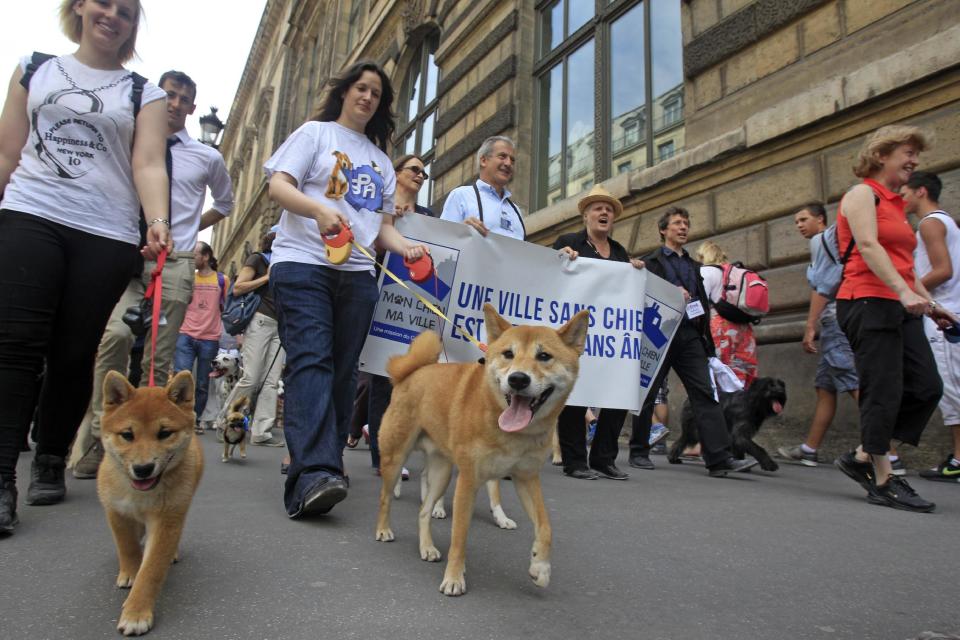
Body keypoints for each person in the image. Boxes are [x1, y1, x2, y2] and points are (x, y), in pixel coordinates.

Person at [0, 0, 171, 535]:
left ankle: (51, 454)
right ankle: (2, 475)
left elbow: (147, 162)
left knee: (74, 352)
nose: (113, 15)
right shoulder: (36, 67)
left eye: (126, 10)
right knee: (15, 344)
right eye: (104, 4)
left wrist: (157, 219)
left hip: (105, 230)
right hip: (31, 211)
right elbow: (7, 152)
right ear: (79, 8)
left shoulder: (146, 92)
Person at [265, 60, 427, 518]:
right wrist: (318, 212)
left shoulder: (379, 160)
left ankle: (327, 463)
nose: (368, 97)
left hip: (356, 274)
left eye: (376, 93)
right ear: (344, 92)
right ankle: (311, 474)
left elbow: (382, 231)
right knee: (312, 359)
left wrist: (407, 248)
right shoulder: (314, 134)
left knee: (340, 372)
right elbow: (278, 186)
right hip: (303, 264)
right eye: (361, 87)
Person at [69, 68, 234, 478]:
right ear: (157, 99)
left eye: (183, 99)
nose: (176, 105)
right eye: (170, 96)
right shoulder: (130, 141)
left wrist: (188, 229)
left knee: (158, 361)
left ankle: (153, 451)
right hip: (125, 252)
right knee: (115, 339)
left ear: (193, 108)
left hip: (173, 262)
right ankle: (94, 441)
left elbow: (226, 204)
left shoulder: (206, 156)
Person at [833, 125, 957, 512]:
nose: (914, 161)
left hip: (901, 303)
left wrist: (931, 304)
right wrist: (904, 293)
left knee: (925, 387)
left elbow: (905, 268)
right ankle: (884, 478)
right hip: (866, 301)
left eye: (916, 154)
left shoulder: (896, 207)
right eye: (908, 153)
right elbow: (868, 246)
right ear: (882, 155)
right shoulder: (861, 194)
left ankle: (862, 455)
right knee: (882, 389)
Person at [626, 207, 758, 477]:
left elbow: (702, 305)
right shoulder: (650, 262)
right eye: (677, 223)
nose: (683, 227)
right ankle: (639, 451)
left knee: (705, 394)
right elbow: (637, 293)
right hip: (658, 334)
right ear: (664, 230)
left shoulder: (695, 267)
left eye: (686, 223)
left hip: (689, 336)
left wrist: (706, 343)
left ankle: (719, 459)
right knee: (647, 392)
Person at [553, 184, 645, 480]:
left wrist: (634, 271)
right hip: (577, 334)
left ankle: (604, 458)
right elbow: (547, 277)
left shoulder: (619, 252)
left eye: (609, 209)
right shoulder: (568, 242)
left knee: (617, 393)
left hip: (611, 337)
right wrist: (559, 257)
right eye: (598, 208)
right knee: (575, 394)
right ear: (586, 216)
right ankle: (575, 460)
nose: (604, 212)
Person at [355, 153, 436, 474]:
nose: (420, 175)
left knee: (412, 382)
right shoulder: (380, 207)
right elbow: (367, 248)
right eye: (414, 170)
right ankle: (384, 456)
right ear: (397, 173)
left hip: (416, 307)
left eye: (424, 173)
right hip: (382, 300)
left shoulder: (428, 216)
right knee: (383, 379)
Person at [778, 204, 866, 468]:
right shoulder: (834, 242)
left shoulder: (821, 240)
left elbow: (822, 287)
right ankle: (809, 448)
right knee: (825, 385)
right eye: (796, 222)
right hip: (844, 316)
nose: (799, 226)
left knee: (851, 381)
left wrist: (810, 326)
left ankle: (887, 448)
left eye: (804, 219)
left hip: (834, 319)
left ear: (820, 219)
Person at [903, 171, 960, 482]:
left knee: (950, 391)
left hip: (943, 317)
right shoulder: (947, 222)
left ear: (921, 191)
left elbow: (943, 270)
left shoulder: (929, 223)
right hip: (947, 312)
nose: (902, 198)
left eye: (906, 192)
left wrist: (907, 290)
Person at [217, 229, 286, 447]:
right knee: (252, 377)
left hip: (282, 324)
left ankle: (261, 432)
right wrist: (267, 277)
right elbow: (238, 288)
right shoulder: (258, 259)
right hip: (261, 320)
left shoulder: (291, 262)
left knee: (272, 382)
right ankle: (224, 420)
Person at [173, 243, 228, 429]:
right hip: (185, 334)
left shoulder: (222, 280)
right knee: (180, 377)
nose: (192, 257)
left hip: (209, 338)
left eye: (195, 254)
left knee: (203, 384)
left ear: (205, 257)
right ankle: (177, 419)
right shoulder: (189, 277)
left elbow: (229, 306)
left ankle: (193, 421)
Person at [697, 241, 758, 387]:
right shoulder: (734, 271)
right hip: (743, 328)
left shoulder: (705, 271)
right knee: (742, 371)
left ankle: (725, 407)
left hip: (720, 329)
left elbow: (700, 303)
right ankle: (744, 404)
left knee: (721, 375)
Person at [440, 136, 525, 240]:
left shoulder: (515, 210)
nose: (508, 163)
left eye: (512, 160)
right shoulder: (461, 196)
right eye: (502, 156)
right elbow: (442, 242)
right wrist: (461, 232)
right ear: (484, 160)